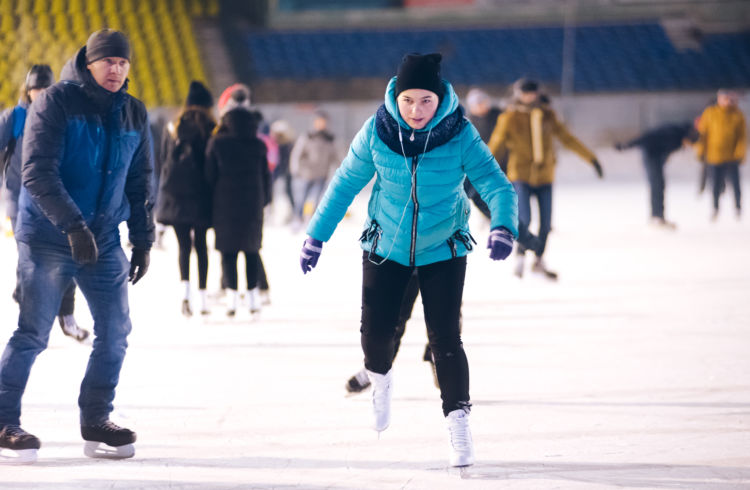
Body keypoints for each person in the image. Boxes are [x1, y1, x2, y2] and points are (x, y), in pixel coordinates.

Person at [299, 53, 518, 467]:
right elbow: (345, 181)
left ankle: (458, 422)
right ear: (396, 98)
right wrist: (316, 235)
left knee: (445, 341)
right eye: (408, 101)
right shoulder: (378, 131)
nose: (416, 110)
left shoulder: (460, 133)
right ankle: (379, 378)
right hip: (386, 248)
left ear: (441, 100)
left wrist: (504, 225)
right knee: (374, 337)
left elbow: (494, 183)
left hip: (443, 249)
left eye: (426, 101)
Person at [0, 29, 153, 464]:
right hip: (49, 236)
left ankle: (96, 419)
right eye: (108, 61)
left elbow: (141, 180)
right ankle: (3, 420)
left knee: (116, 332)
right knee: (33, 332)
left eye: (123, 62)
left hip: (103, 238)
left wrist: (142, 240)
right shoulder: (55, 102)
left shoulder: (133, 113)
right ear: (89, 62)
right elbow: (37, 171)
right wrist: (72, 226)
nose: (116, 69)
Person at [1, 65, 91, 343]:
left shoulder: (63, 117)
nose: (39, 94)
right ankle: (29, 322)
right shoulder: (15, 117)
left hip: (56, 200)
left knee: (68, 257)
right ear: (27, 91)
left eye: (44, 89)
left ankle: (66, 317)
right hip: (20, 201)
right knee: (29, 262)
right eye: (34, 89)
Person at [488, 78, 603, 280]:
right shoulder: (510, 117)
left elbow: (567, 138)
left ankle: (539, 260)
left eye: (532, 93)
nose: (530, 97)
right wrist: (481, 169)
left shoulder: (547, 115)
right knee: (525, 218)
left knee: (546, 223)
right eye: (526, 93)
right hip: (521, 175)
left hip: (545, 176)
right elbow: (496, 144)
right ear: (518, 94)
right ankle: (521, 255)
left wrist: (591, 159)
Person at [155, 81, 215, 317]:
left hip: (176, 196)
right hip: (202, 196)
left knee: (183, 246)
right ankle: (203, 298)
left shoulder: (173, 127)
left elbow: (162, 162)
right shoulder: (212, 128)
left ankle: (185, 295)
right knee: (201, 246)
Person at [205, 104, 271, 317]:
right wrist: (265, 201)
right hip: (253, 203)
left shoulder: (217, 144)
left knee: (228, 251)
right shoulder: (259, 145)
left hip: (224, 204)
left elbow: (209, 175)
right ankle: (253, 299)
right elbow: (266, 177)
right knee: (251, 250)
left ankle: (232, 299)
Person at [615, 122, 700, 228]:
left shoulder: (680, 137)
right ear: (687, 137)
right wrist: (626, 145)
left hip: (658, 157)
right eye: (688, 144)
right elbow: (646, 137)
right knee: (657, 185)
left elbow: (667, 149)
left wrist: (664, 159)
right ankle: (656, 217)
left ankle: (659, 216)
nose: (687, 146)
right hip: (651, 155)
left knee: (660, 185)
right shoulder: (671, 133)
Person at [694, 89, 746, 220]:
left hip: (731, 157)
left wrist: (740, 153)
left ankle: (738, 208)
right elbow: (703, 134)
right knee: (715, 185)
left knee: (735, 184)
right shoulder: (710, 113)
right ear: (719, 99)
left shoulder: (737, 115)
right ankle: (715, 208)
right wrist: (700, 150)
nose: (727, 101)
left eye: (729, 99)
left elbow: (742, 137)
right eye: (725, 98)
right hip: (714, 156)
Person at [289, 109, 339, 230]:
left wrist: (340, 170)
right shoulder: (308, 136)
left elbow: (335, 157)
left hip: (321, 174)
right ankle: (297, 218)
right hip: (306, 174)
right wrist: (295, 169)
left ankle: (311, 220)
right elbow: (297, 154)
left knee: (316, 199)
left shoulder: (329, 139)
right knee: (301, 199)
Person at [463, 87, 504, 219]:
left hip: (501, 162)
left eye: (482, 103)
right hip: (479, 165)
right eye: (477, 104)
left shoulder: (499, 116)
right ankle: (492, 218)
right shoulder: (468, 122)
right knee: (477, 194)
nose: (481, 107)